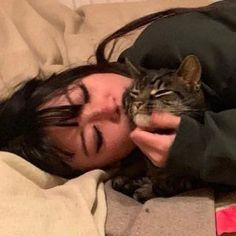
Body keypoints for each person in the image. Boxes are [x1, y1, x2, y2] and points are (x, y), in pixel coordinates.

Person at [0, 0, 236, 188]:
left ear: (86, 72)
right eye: (96, 136)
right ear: (111, 164)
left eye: (84, 96)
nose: (107, 108)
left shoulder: (170, 43)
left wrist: (202, 145)